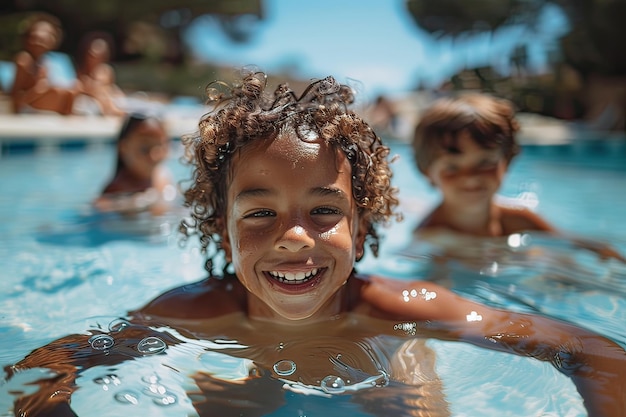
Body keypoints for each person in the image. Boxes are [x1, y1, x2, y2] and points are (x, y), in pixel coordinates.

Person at [5, 72, 625, 417]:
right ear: (222, 228)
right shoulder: (196, 310)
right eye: (260, 213)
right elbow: (44, 366)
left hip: (381, 371)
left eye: (324, 210)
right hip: (251, 367)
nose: (294, 237)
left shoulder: (396, 309)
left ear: (364, 222)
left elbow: (589, 348)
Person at [410, 93, 626, 262]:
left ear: (507, 162)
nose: (471, 177)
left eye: (485, 163)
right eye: (452, 167)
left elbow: (583, 247)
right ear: (427, 172)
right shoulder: (429, 235)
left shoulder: (519, 219)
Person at [93, 113, 175, 215]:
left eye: (160, 147)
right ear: (124, 148)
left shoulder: (162, 174)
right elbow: (100, 209)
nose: (153, 156)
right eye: (144, 149)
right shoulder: (117, 190)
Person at [10, 13, 78, 114]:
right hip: (28, 110)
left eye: (46, 36)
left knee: (71, 91)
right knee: (58, 93)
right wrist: (38, 91)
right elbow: (15, 100)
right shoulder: (24, 60)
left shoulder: (47, 61)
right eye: (37, 37)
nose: (40, 41)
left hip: (44, 110)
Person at [74, 31, 125, 116]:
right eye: (92, 55)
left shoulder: (105, 69)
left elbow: (101, 86)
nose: (95, 59)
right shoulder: (81, 70)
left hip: (104, 98)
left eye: (100, 56)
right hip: (91, 99)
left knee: (103, 93)